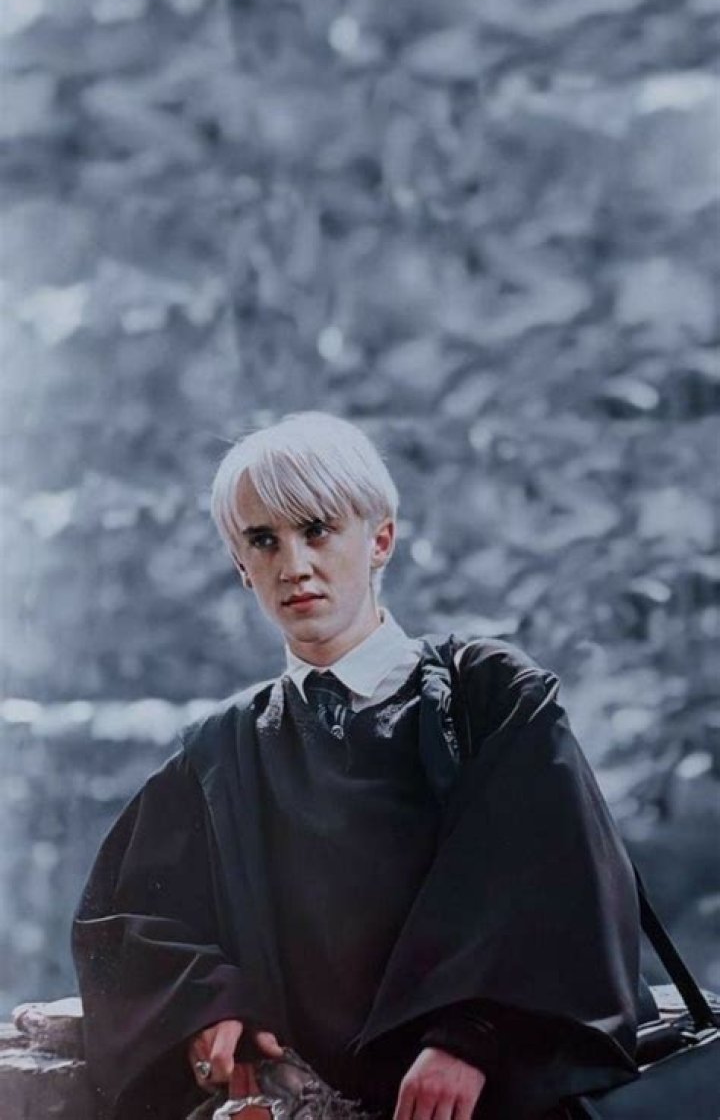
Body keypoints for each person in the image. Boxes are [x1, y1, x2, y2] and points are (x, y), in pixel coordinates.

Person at [72, 412, 648, 1120]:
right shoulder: (220, 754)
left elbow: (561, 879)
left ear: (380, 540)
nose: (293, 565)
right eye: (263, 540)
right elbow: (128, 923)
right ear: (241, 566)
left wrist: (472, 1037)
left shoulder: (488, 695)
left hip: (489, 1099)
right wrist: (211, 1008)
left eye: (317, 529)